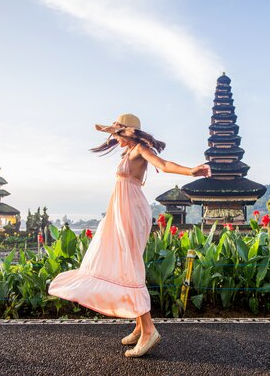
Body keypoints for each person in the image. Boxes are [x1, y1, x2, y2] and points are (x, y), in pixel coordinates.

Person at [48, 113, 211, 358]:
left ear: (128, 132)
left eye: (119, 133)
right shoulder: (127, 152)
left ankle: (149, 332)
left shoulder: (140, 149)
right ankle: (139, 325)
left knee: (130, 266)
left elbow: (164, 165)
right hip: (119, 209)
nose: (117, 139)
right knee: (126, 264)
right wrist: (111, 130)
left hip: (131, 210)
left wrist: (191, 172)